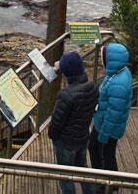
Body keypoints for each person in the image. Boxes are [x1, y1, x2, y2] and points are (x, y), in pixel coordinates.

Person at [49, 51, 99, 194]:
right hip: (83, 138)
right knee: (83, 169)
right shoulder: (93, 87)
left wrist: (52, 135)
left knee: (66, 177)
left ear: (66, 73)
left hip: (65, 142)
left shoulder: (65, 95)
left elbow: (56, 123)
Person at [89, 43, 133, 192]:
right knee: (95, 148)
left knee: (106, 155)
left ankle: (109, 186)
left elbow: (114, 114)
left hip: (108, 127)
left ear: (111, 59)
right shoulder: (118, 72)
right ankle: (101, 180)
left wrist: (104, 135)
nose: (101, 59)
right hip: (102, 122)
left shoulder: (118, 84)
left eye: (103, 57)